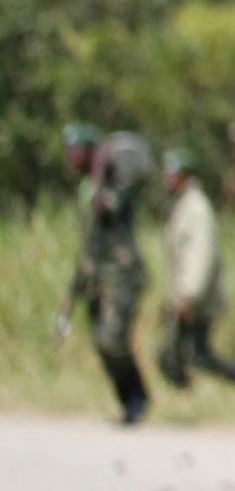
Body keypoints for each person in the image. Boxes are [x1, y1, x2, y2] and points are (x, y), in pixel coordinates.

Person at [156, 149, 235, 393]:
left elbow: (200, 256)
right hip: (187, 297)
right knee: (182, 354)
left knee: (196, 356)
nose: (167, 178)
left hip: (196, 299)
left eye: (172, 173)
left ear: (184, 175)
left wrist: (187, 296)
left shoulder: (197, 208)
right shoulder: (183, 205)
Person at [55, 123, 153, 424]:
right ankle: (130, 402)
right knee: (101, 342)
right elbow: (89, 245)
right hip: (97, 277)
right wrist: (72, 292)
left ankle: (138, 399)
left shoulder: (116, 185)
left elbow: (102, 208)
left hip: (122, 276)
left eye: (77, 150)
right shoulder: (87, 188)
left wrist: (100, 166)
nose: (71, 156)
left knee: (113, 339)